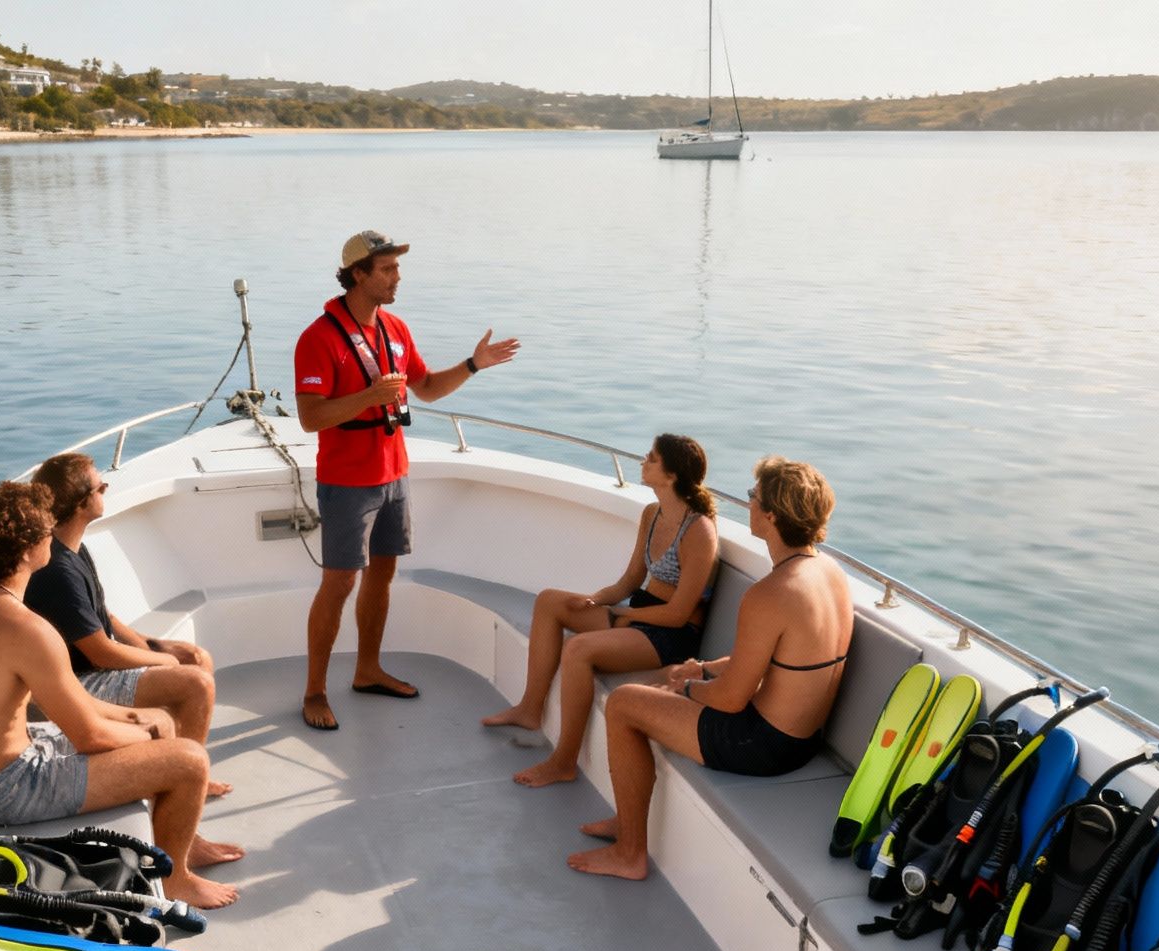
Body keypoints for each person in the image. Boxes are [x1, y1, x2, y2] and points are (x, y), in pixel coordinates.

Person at [0, 481, 240, 909]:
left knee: (161, 723)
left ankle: (182, 840)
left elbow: (77, 701)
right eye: (44, 533)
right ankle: (176, 879)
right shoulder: (26, 629)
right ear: (27, 549)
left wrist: (143, 722)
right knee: (189, 761)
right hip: (6, 788)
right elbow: (90, 737)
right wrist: (152, 741)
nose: (51, 538)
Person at [568, 457, 854, 881]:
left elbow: (730, 699)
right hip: (803, 740)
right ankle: (623, 822)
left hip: (759, 745)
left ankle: (630, 852)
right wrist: (701, 668)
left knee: (626, 704)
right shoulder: (829, 574)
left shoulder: (770, 593)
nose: (748, 502)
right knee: (670, 679)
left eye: (753, 496)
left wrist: (686, 689)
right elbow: (782, 663)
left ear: (771, 516)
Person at [294, 229, 521, 731]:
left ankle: (368, 670)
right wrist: (369, 398)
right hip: (349, 480)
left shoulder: (395, 327)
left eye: (397, 267)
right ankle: (313, 690)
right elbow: (311, 418)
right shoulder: (318, 338)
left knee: (383, 574)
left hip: (395, 473)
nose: (399, 277)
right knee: (338, 584)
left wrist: (473, 365)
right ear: (359, 274)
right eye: (388, 269)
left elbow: (429, 388)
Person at [482, 434, 720, 787]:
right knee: (550, 601)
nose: (643, 461)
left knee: (577, 649)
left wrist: (625, 615)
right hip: (639, 613)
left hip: (670, 635)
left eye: (651, 459)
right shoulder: (652, 513)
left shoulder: (699, 531)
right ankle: (531, 709)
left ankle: (563, 762)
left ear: (671, 476)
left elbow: (678, 614)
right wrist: (597, 600)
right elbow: (630, 580)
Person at [27, 452, 231, 800]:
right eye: (100, 486)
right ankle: (180, 778)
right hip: (81, 683)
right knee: (196, 683)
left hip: (96, 665)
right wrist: (164, 662)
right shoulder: (58, 571)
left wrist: (148, 646)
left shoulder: (75, 548)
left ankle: (186, 770)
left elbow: (104, 617)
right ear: (81, 504)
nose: (106, 487)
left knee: (197, 657)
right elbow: (101, 653)